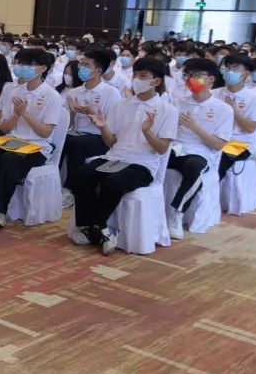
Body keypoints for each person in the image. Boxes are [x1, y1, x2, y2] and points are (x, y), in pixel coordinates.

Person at [64, 57, 178, 255]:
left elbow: (161, 149)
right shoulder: (122, 104)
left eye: (143, 76)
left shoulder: (167, 110)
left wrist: (147, 131)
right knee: (81, 175)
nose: (136, 80)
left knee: (113, 183)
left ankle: (97, 226)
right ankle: (90, 226)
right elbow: (111, 143)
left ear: (156, 81)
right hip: (114, 157)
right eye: (135, 75)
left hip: (143, 164)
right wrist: (103, 127)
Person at [0, 48, 61, 228]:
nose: (24, 68)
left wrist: (25, 114)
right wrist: (16, 116)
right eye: (23, 63)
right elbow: (5, 128)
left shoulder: (51, 96)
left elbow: (46, 132)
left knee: (9, 159)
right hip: (12, 140)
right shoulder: (15, 91)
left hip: (37, 146)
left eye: (30, 65)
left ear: (43, 69)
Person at [166, 58, 233, 239]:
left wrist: (195, 127)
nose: (191, 80)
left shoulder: (223, 109)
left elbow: (218, 145)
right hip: (175, 147)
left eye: (197, 75)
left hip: (201, 152)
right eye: (188, 76)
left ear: (210, 79)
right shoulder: (177, 101)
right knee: (152, 156)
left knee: (194, 167)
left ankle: (177, 214)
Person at [61, 49, 122, 184]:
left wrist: (90, 112)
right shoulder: (74, 92)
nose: (81, 68)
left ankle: (71, 187)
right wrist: (72, 112)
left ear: (98, 71)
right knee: (60, 139)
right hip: (76, 133)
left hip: (100, 138)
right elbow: (68, 125)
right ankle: (55, 182)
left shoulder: (112, 93)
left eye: (87, 65)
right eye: (81, 64)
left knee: (76, 144)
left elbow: (111, 128)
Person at [215, 54, 256, 179]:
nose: (230, 71)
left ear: (246, 74)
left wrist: (233, 111)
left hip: (241, 144)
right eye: (227, 67)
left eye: (235, 68)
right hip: (216, 140)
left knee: (223, 155)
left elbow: (250, 128)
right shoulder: (214, 94)